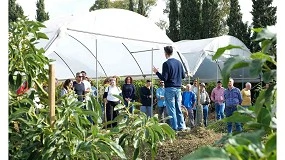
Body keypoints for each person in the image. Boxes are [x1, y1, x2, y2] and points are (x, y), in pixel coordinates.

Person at [153, 45, 186, 131]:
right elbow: (183, 76)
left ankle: (174, 128)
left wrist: (157, 72)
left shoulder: (166, 63)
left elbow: (164, 78)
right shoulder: (179, 63)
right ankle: (181, 126)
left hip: (169, 89)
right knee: (178, 108)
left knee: (171, 109)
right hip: (178, 89)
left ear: (165, 53)